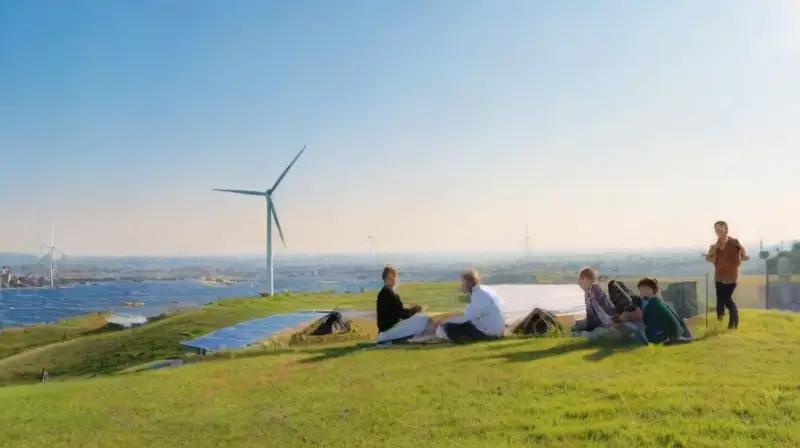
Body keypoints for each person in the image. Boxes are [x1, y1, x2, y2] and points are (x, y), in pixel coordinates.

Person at [435, 268, 505, 343]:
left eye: (462, 282)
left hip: (488, 333)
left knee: (447, 327)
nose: (461, 284)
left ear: (469, 282)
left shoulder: (477, 296)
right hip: (498, 330)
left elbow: (465, 317)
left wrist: (443, 320)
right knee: (450, 324)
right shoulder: (485, 289)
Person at [704, 220, 749, 329]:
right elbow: (708, 258)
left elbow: (744, 255)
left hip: (731, 277)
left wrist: (738, 259)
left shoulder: (734, 243)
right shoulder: (715, 246)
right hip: (719, 277)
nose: (718, 231)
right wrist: (713, 255)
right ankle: (725, 321)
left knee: (726, 299)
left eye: (720, 228)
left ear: (725, 229)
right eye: (716, 229)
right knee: (721, 298)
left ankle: (734, 320)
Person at [622, 277, 691, 345]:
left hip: (662, 335)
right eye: (641, 291)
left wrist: (626, 318)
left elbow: (644, 319)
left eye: (643, 290)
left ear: (651, 290)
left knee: (633, 328)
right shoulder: (658, 302)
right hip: (673, 333)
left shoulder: (652, 304)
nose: (641, 293)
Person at [376, 265, 432, 344]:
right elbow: (400, 313)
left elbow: (398, 312)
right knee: (423, 319)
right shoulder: (386, 294)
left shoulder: (389, 293)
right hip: (388, 332)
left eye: (394, 277)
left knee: (420, 319)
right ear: (384, 280)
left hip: (389, 330)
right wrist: (414, 310)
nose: (392, 280)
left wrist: (412, 311)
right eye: (389, 278)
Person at [571, 268, 619, 336]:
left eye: (592, 282)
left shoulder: (595, 290)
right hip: (592, 321)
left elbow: (602, 307)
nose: (590, 285)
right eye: (590, 282)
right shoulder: (578, 293)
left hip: (602, 319)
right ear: (583, 279)